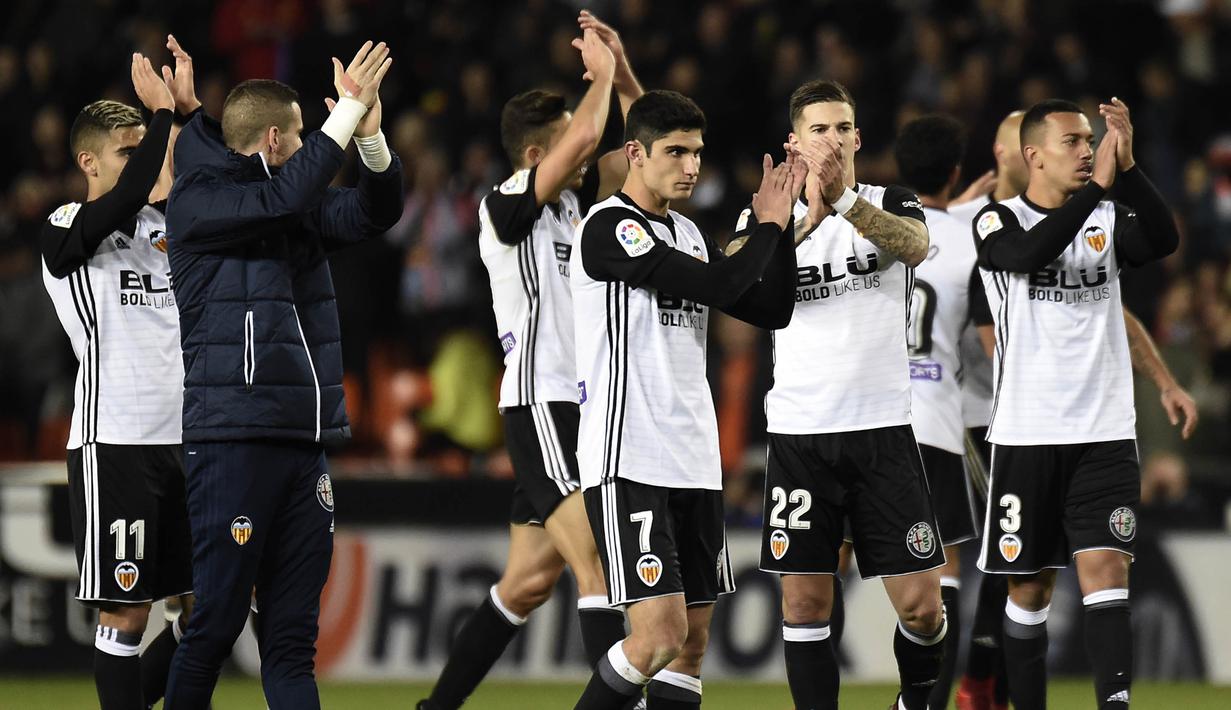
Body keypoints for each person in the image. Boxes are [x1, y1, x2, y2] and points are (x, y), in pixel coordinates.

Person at [162, 41, 402, 710]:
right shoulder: (198, 202)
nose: (310, 147)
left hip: (304, 442)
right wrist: (347, 110)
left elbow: (375, 212)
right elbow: (284, 197)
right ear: (273, 139)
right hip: (231, 437)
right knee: (212, 627)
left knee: (293, 643)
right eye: (301, 134)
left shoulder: (291, 206)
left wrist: (372, 136)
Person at [417, 11, 644, 710]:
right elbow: (584, 134)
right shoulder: (506, 205)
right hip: (541, 406)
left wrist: (624, 70)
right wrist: (597, 83)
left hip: (578, 411)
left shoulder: (577, 213)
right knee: (599, 569)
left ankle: (433, 709)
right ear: (530, 156)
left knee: (523, 584)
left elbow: (642, 144)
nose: (584, 156)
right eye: (566, 151)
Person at [951, 108, 1197, 710]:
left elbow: (1163, 239)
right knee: (1030, 590)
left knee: (1107, 573)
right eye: (1073, 141)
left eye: (1092, 140)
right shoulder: (996, 220)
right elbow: (1031, 252)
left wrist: (1130, 171)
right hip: (1026, 435)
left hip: (1105, 431)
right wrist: (1097, 192)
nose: (1088, 149)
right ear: (1035, 155)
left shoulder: (1107, 218)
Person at [571, 89, 803, 710]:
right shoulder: (609, 228)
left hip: (692, 459)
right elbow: (728, 281)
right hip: (630, 456)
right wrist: (768, 225)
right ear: (635, 154)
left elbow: (771, 307)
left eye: (697, 152)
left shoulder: (690, 235)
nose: (691, 166)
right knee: (657, 637)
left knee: (693, 644)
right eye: (675, 152)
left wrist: (773, 234)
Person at [751, 79, 945, 710]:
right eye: (818, 129)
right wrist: (801, 222)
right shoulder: (767, 215)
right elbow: (739, 277)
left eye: (842, 128)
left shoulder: (892, 200)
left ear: (858, 137)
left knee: (922, 610)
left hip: (883, 432)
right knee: (805, 602)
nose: (832, 139)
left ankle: (914, 698)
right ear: (794, 142)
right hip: (801, 435)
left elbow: (916, 246)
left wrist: (843, 203)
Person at [39, 44, 198, 710]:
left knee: (205, 611)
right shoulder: (67, 228)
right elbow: (130, 193)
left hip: (189, 441)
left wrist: (187, 114)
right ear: (89, 162)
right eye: (130, 152)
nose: (147, 162)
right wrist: (161, 116)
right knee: (127, 617)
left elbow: (202, 183)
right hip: (117, 442)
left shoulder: (167, 227)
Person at [893, 114, 984, 710]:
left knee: (828, 564)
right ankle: (925, 703)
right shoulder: (973, 239)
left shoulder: (874, 224)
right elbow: (985, 338)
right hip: (938, 423)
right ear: (955, 171)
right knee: (942, 573)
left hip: (870, 418)